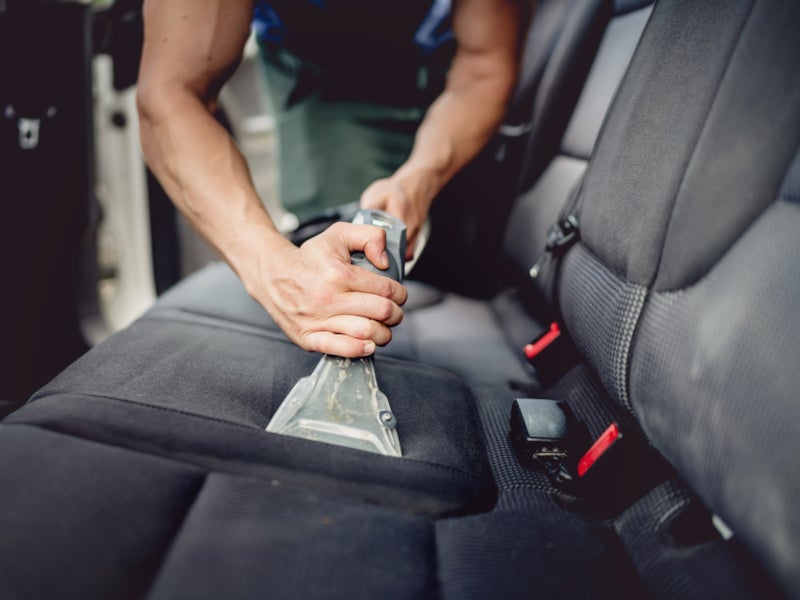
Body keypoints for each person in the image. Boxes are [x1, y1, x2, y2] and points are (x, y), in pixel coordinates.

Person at [136, 0, 522, 359]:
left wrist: (417, 179)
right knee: (339, 291)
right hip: (319, 67)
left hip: (442, 58)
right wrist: (274, 269)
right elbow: (171, 94)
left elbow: (483, 67)